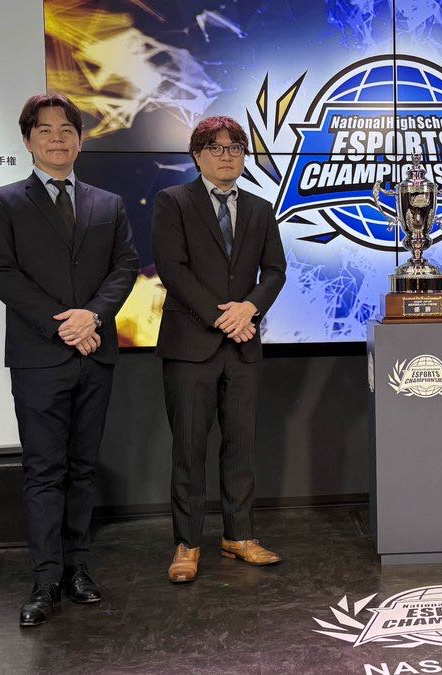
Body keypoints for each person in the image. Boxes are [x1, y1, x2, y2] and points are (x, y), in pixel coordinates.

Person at [0, 93, 139, 626]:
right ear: (27, 141)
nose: (57, 138)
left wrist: (92, 316)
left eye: (66, 129)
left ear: (80, 139)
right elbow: (0, 275)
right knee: (44, 471)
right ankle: (45, 579)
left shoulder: (107, 204)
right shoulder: (3, 202)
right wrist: (64, 324)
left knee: (83, 469)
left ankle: (77, 569)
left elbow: (125, 267)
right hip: (39, 357)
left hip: (95, 354)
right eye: (44, 130)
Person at [152, 116, 287, 583]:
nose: (226, 156)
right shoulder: (173, 202)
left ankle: (239, 535)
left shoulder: (260, 208)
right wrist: (222, 317)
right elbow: (172, 268)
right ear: (197, 155)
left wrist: (249, 308)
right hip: (191, 345)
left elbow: (275, 270)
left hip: (243, 346)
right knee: (189, 449)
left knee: (241, 446)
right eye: (215, 147)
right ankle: (188, 544)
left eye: (235, 148)